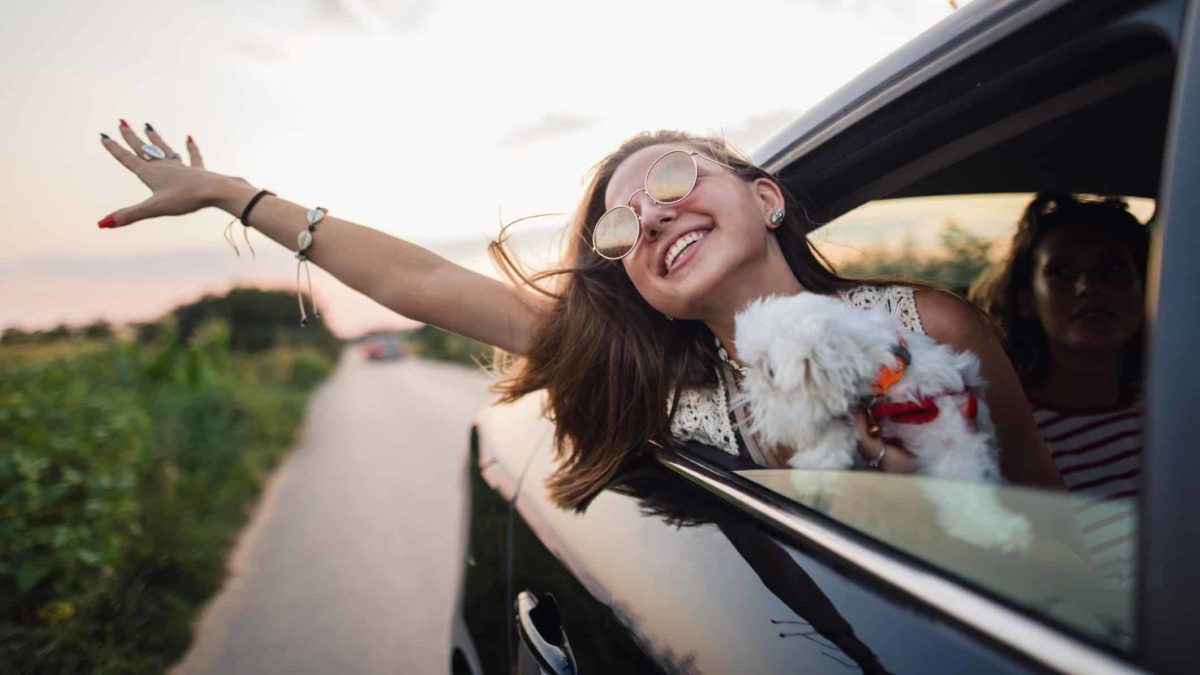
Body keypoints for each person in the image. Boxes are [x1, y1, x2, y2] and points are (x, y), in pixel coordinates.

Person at [98, 124, 1063, 509]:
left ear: (765, 197)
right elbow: (427, 285)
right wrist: (232, 193)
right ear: (633, 279)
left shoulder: (922, 324)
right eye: (620, 223)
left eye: (678, 177)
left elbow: (1041, 517)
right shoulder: (655, 372)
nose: (651, 214)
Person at [969, 192, 1148, 584]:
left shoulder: (1177, 409)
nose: (1088, 287)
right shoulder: (1007, 437)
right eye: (1062, 271)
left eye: (1112, 268)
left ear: (1146, 286)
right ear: (1027, 301)